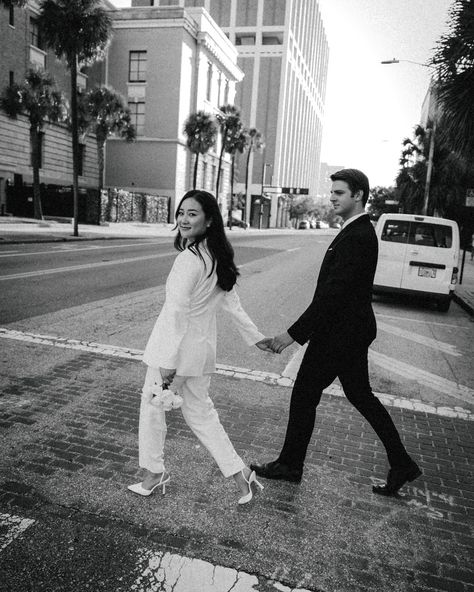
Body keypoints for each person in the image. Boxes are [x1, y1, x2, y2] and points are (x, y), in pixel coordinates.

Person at [251, 169, 422, 496]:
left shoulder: (358, 235)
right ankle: (401, 463)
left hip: (338, 335)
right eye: (332, 192)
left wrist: (292, 335)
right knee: (361, 397)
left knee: (304, 394)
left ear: (358, 195)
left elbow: (333, 294)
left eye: (339, 192)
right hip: (348, 332)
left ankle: (290, 465)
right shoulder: (356, 231)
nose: (332, 197)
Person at [128, 190, 270, 504]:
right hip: (201, 353)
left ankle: (154, 473)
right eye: (181, 213)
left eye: (192, 214)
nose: (183, 219)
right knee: (202, 415)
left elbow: (177, 313)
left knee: (152, 410)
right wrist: (257, 337)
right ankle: (240, 473)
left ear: (208, 220)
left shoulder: (189, 260)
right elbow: (234, 305)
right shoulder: (217, 257)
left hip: (176, 353)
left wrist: (167, 361)